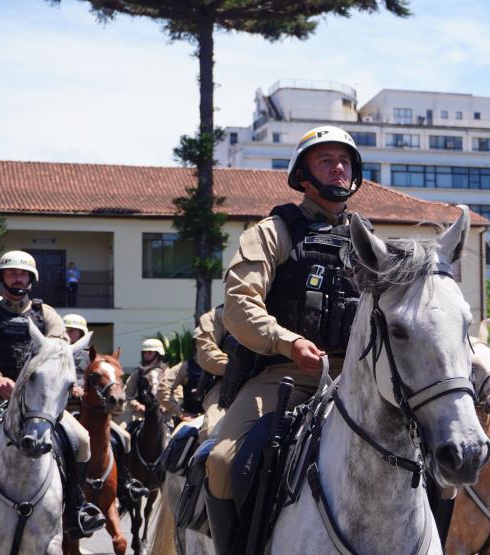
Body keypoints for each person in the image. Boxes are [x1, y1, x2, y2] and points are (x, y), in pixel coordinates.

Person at [205, 125, 366, 554]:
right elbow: (240, 305)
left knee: (441, 463)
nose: (338, 167)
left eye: (344, 161)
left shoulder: (369, 242)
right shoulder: (271, 232)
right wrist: (286, 342)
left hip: (356, 380)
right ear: (304, 176)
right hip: (283, 379)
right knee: (221, 463)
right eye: (326, 160)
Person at [0, 251, 106, 538]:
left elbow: (59, 351)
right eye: (12, 272)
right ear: (2, 277)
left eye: (24, 273)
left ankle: (76, 507)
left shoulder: (48, 315)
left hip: (39, 404)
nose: (19, 277)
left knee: (82, 439)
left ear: (31, 279)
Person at [156, 305, 227, 440]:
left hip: (223, 412)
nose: (200, 345)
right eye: (197, 342)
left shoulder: (226, 363)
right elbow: (162, 391)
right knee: (175, 443)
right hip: (192, 418)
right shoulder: (185, 367)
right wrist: (181, 413)